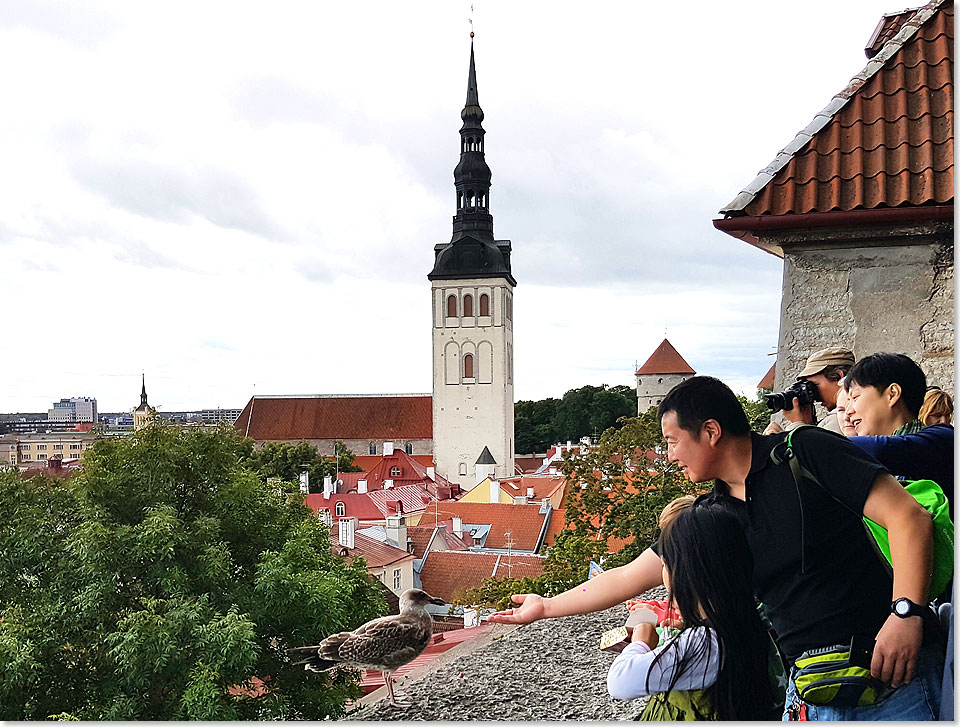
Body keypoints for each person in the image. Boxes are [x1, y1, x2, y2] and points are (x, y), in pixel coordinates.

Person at [489, 375, 941, 720]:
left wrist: (906, 614)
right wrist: (545, 606)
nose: (669, 455)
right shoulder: (713, 513)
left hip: (889, 676)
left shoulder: (804, 452)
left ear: (709, 431)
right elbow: (629, 575)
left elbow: (909, 518)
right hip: (811, 691)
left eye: (671, 442)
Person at [606, 505, 779, 720]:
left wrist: (639, 643)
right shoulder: (745, 617)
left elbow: (621, 683)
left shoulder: (706, 643)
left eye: (665, 565)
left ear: (685, 572)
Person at [844, 353, 954, 520]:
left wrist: (811, 440)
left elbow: (880, 449)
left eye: (855, 397)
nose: (848, 411)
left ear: (892, 394)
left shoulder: (943, 438)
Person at [764, 347, 855, 435]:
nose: (814, 394)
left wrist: (797, 424)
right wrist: (808, 423)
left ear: (838, 376)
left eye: (814, 386)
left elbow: (812, 449)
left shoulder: (841, 421)